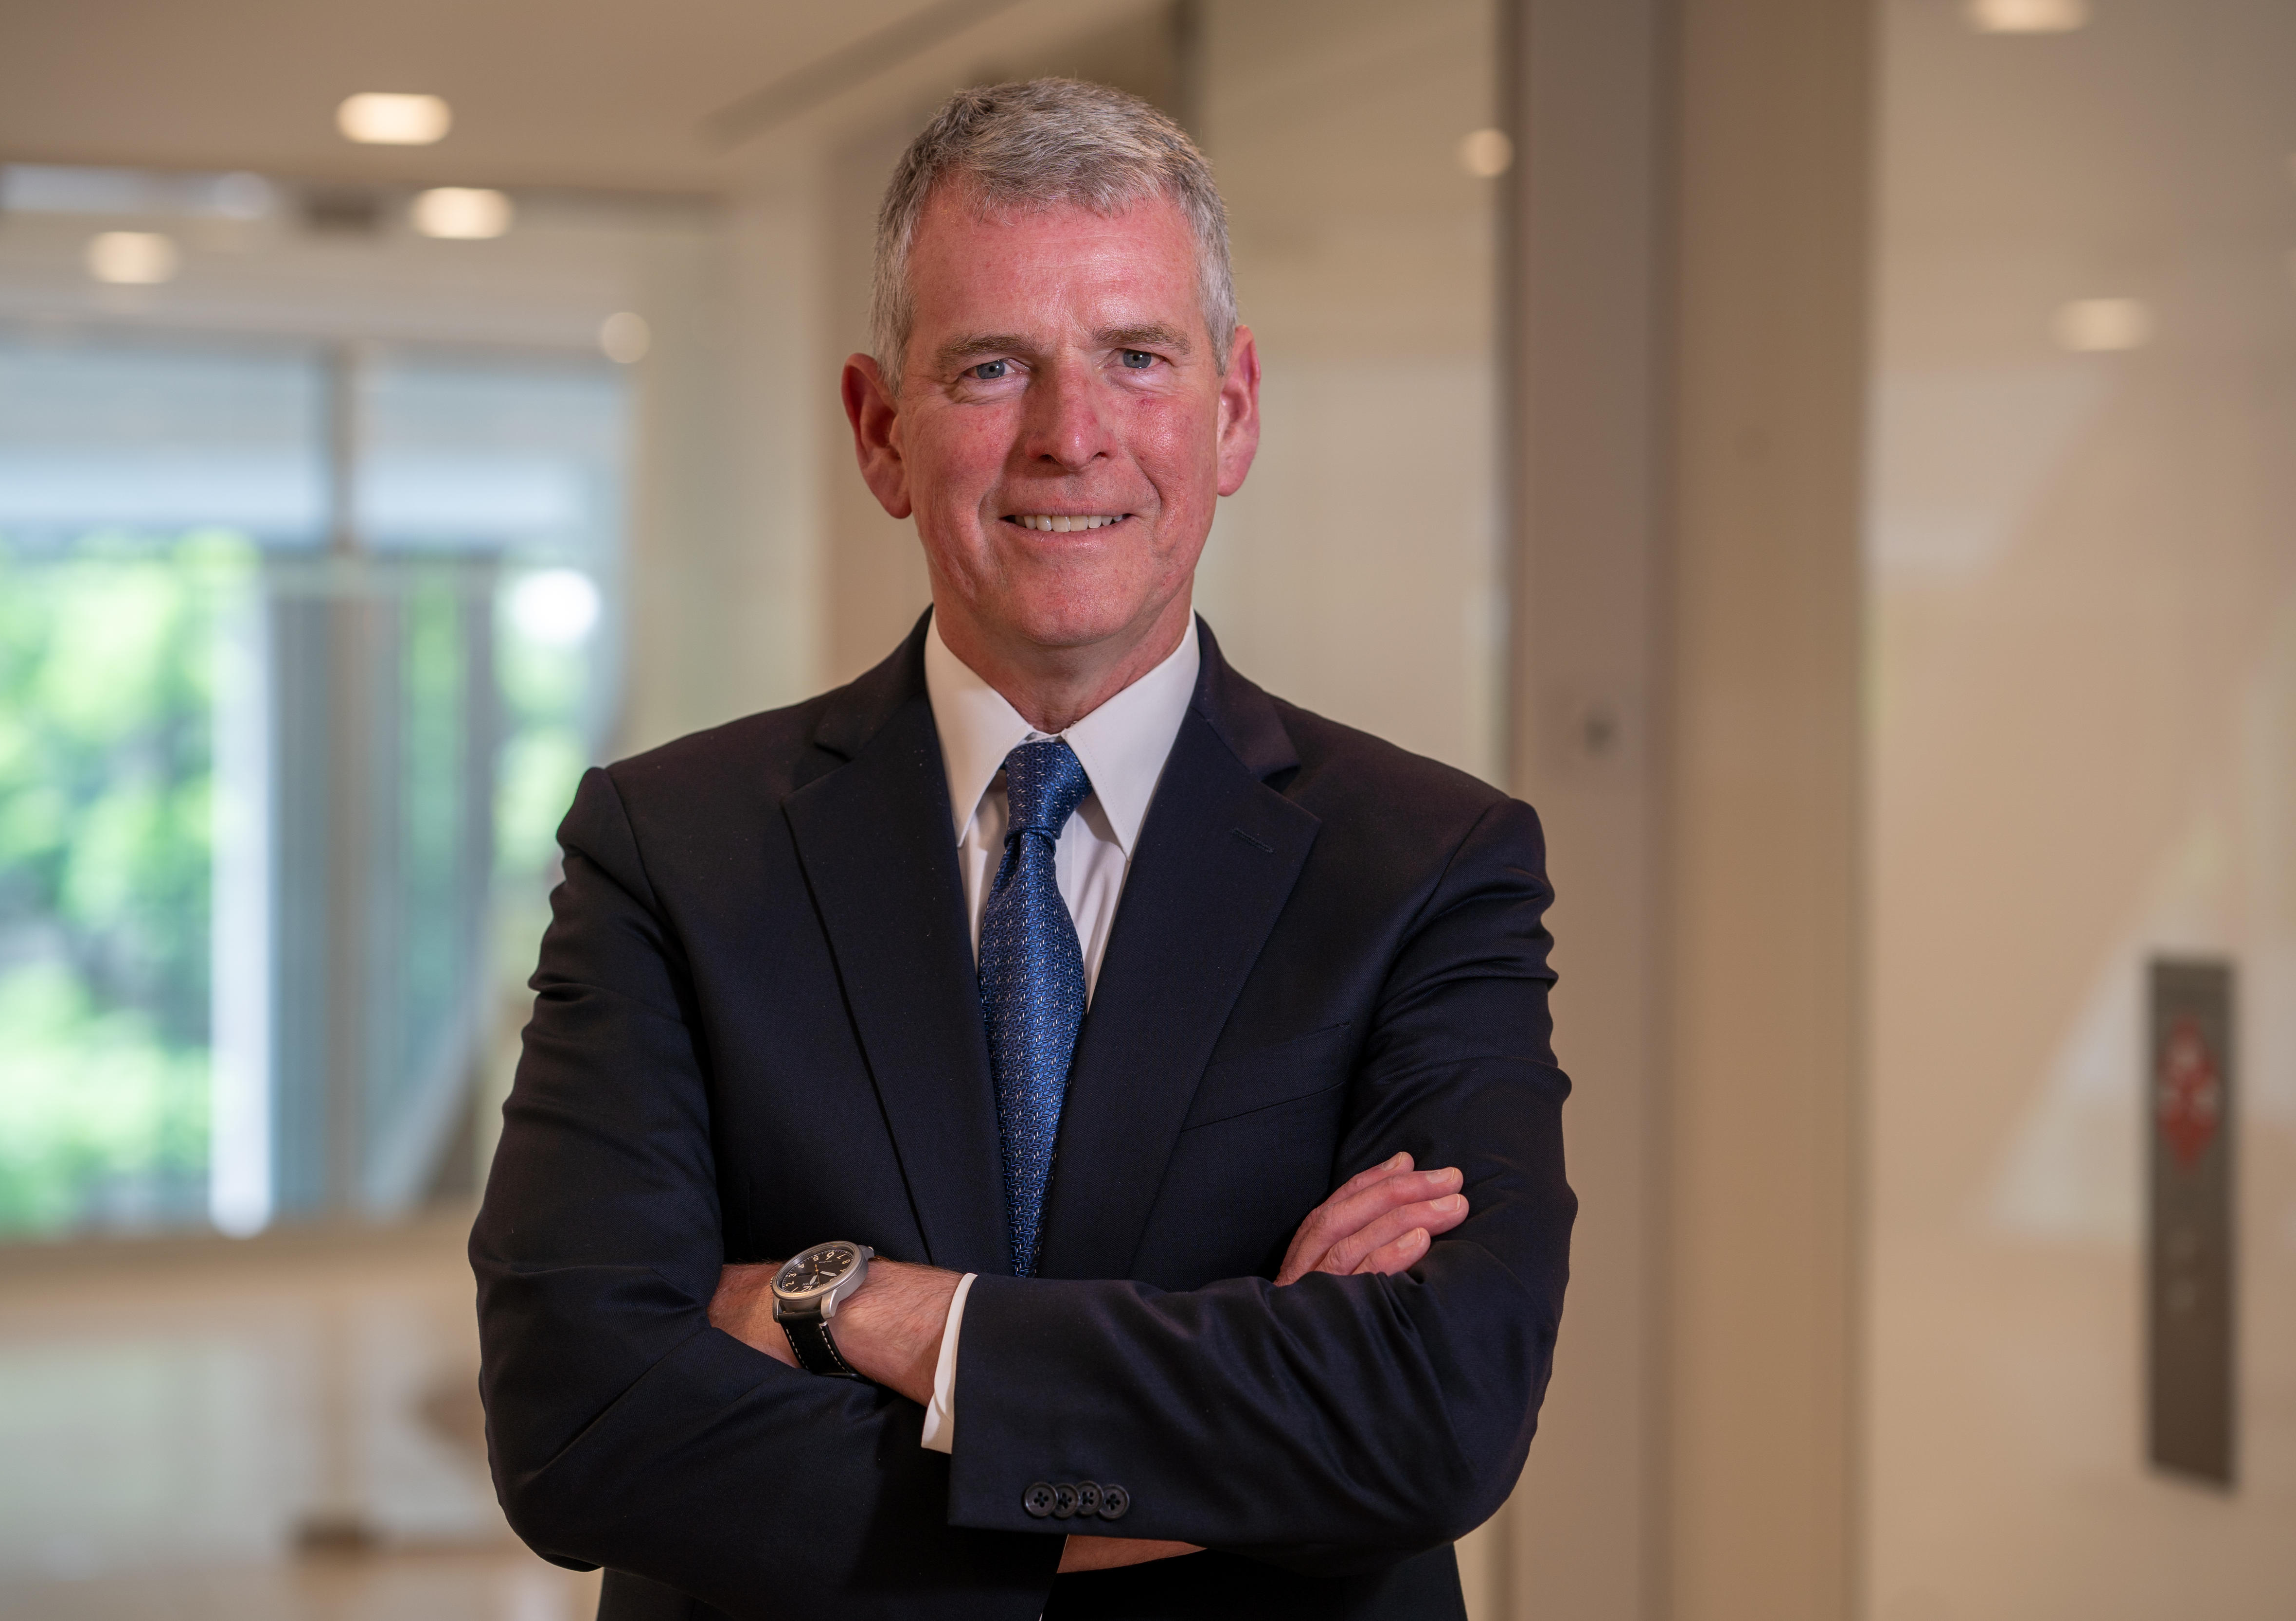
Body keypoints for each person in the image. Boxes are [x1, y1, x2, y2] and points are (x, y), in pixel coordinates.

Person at [472, 78, 1571, 1621]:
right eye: (994, 367)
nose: (1072, 438)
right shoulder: (672, 851)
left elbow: (1434, 1415)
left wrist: (857, 1310)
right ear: (881, 432)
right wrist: (1233, 1433)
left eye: (1138, 358)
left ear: (1233, 412)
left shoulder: (1429, 866)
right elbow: (580, 1425)